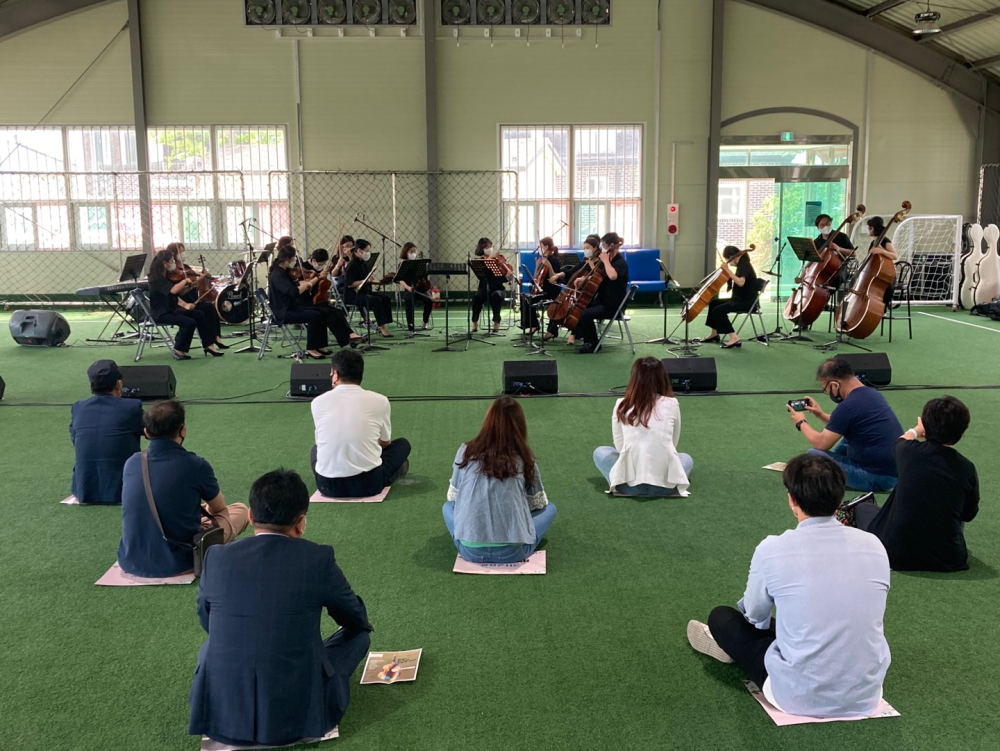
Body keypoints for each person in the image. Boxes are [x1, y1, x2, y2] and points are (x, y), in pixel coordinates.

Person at [687, 453, 890, 719]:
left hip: (795, 695)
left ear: (792, 500)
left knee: (722, 617)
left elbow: (755, 616)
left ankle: (729, 647)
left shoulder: (773, 548)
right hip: (866, 694)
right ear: (840, 499)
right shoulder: (874, 544)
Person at [188, 468, 372, 748]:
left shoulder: (217, 557)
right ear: (301, 523)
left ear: (250, 517)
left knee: (210, 646)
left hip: (223, 721)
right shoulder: (318, 559)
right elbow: (354, 618)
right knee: (359, 635)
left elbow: (207, 619)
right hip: (300, 719)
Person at [117, 400, 249, 578]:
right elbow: (218, 508)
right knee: (240, 510)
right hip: (181, 561)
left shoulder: (132, 462)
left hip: (131, 559)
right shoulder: (196, 465)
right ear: (183, 429)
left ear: (146, 432)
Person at [855, 396, 980, 572]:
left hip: (895, 554)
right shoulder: (967, 467)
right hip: (948, 558)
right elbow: (968, 514)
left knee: (863, 509)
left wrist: (916, 429)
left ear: (926, 426)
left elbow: (900, 441)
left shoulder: (907, 452)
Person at [444, 396, 556, 564]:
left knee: (447, 508)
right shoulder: (525, 458)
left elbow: (453, 499)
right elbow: (538, 504)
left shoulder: (465, 451)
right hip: (514, 551)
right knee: (550, 509)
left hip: (469, 550)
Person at [787, 357, 903, 491]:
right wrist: (820, 414)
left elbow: (821, 443)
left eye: (825, 389)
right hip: (894, 472)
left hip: (877, 477)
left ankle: (829, 471)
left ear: (834, 385)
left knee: (813, 456)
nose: (828, 393)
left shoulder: (847, 407)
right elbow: (846, 423)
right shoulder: (872, 393)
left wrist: (801, 422)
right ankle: (833, 468)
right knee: (845, 440)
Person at [311, 350, 411, 498]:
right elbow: (385, 443)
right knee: (403, 444)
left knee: (315, 449)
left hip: (327, 486)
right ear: (361, 375)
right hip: (368, 484)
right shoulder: (380, 400)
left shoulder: (317, 402)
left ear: (336, 374)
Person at [592, 357, 692, 497]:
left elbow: (620, 447)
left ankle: (619, 480)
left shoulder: (621, 404)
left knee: (601, 451)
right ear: (663, 378)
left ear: (634, 379)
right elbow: (673, 444)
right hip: (666, 487)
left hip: (627, 487)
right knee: (685, 458)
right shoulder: (672, 403)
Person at [267, 245, 364, 359]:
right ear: (287, 258)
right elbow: (292, 292)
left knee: (322, 312)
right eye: (293, 258)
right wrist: (307, 284)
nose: (294, 261)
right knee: (315, 315)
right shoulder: (277, 274)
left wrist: (303, 283)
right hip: (283, 312)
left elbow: (293, 285)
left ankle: (320, 345)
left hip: (291, 307)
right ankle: (311, 348)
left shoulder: (282, 271)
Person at [68, 360, 144, 505]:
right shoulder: (131, 407)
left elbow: (75, 438)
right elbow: (152, 432)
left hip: (84, 489)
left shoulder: (78, 407)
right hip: (123, 489)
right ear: (119, 384)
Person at [147, 249, 223, 359]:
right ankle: (179, 350)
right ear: (164, 263)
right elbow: (173, 290)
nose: (173, 263)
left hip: (171, 309)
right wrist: (184, 281)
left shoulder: (165, 276)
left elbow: (178, 293)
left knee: (199, 314)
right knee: (189, 322)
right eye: (172, 261)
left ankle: (209, 345)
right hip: (161, 313)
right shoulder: (157, 278)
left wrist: (192, 285)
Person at [571, 232, 630, 354]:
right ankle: (585, 339)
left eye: (604, 245)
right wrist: (585, 279)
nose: (602, 248)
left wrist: (605, 261)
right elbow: (601, 277)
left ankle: (593, 344)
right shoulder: (609, 261)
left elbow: (612, 276)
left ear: (612, 245)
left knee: (585, 314)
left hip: (613, 305)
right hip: (603, 300)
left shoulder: (620, 262)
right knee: (581, 307)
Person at [166, 242, 228, 350]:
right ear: (173, 255)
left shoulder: (187, 268)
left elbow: (194, 285)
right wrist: (196, 282)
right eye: (180, 251)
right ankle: (208, 343)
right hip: (183, 303)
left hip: (193, 300)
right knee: (200, 313)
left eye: (183, 251)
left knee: (211, 307)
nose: (183, 253)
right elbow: (179, 293)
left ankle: (216, 337)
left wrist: (200, 281)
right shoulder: (172, 272)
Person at [702, 245, 758, 349]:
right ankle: (714, 334)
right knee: (714, 303)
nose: (728, 262)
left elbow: (741, 282)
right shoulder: (741, 263)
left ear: (732, 256)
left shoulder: (744, 264)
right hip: (739, 299)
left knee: (718, 310)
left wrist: (727, 270)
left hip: (747, 302)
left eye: (728, 259)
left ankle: (734, 337)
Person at [344, 239, 395, 338]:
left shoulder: (362, 263)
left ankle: (385, 321)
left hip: (364, 292)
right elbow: (350, 284)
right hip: (353, 295)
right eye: (367, 251)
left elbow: (368, 279)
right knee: (375, 300)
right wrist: (366, 280)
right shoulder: (352, 265)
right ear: (359, 251)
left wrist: (381, 282)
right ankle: (382, 327)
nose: (368, 253)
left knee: (386, 298)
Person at [560, 234, 602, 346]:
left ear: (595, 248)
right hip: (583, 293)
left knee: (581, 308)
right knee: (566, 304)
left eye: (587, 248)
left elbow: (600, 278)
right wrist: (558, 275)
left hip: (596, 295)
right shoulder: (585, 262)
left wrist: (593, 266)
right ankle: (554, 330)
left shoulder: (601, 263)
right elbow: (572, 271)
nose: (585, 250)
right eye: (584, 248)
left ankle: (574, 334)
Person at [521, 237, 563, 338]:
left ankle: (536, 326)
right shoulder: (543, 260)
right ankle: (532, 324)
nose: (539, 248)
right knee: (525, 298)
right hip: (542, 289)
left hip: (551, 291)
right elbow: (536, 279)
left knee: (530, 299)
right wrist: (537, 266)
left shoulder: (553, 260)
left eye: (540, 246)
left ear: (546, 247)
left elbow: (555, 279)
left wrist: (549, 266)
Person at [471, 237, 510, 334]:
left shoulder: (498, 260)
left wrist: (507, 276)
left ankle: (496, 321)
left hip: (498, 289)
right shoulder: (479, 262)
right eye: (488, 247)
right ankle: (475, 321)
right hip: (484, 289)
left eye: (491, 246)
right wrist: (490, 258)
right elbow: (482, 277)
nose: (491, 248)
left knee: (495, 296)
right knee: (477, 297)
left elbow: (502, 279)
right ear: (482, 249)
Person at [396, 242, 432, 332]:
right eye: (411, 251)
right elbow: (400, 280)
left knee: (429, 299)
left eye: (415, 251)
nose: (414, 253)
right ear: (406, 252)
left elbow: (424, 276)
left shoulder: (419, 264)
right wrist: (408, 288)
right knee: (409, 299)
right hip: (409, 289)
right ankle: (410, 324)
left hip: (421, 289)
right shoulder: (402, 264)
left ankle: (425, 321)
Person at [864, 215, 899, 307]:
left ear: (873, 228)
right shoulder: (873, 242)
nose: (868, 230)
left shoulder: (885, 241)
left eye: (870, 228)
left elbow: (894, 256)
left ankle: (881, 306)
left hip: (885, 274)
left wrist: (882, 251)